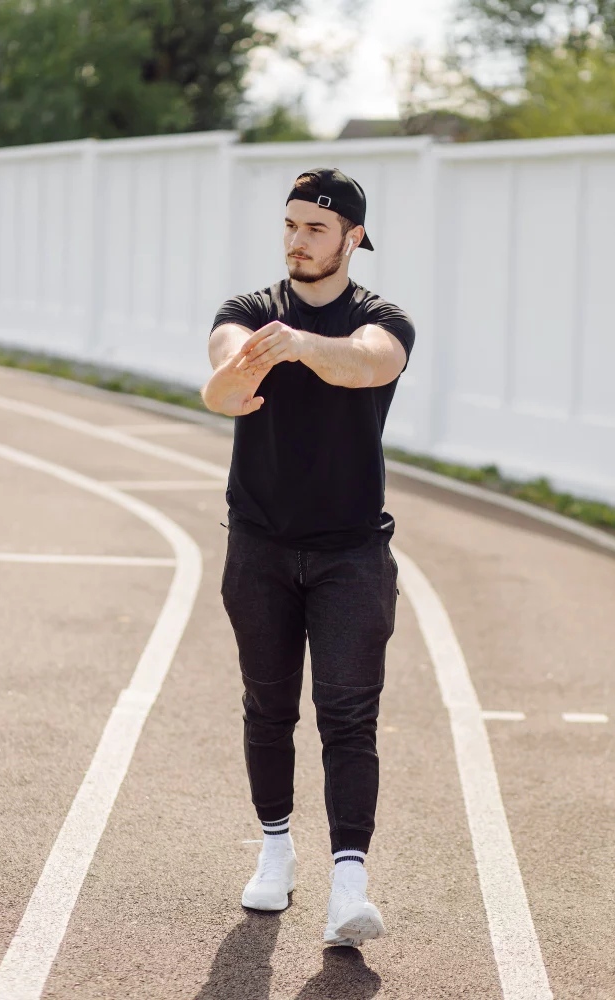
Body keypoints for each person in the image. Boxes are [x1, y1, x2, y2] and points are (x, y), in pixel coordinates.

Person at [201, 167, 415, 947]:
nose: (298, 240)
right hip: (257, 545)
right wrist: (238, 373)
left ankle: (348, 885)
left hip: (352, 553)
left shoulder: (381, 318)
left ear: (352, 237)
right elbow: (220, 385)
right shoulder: (248, 310)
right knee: (268, 706)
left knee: (349, 716)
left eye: (316, 228)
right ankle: (275, 850)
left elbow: (369, 363)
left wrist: (300, 348)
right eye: (290, 225)